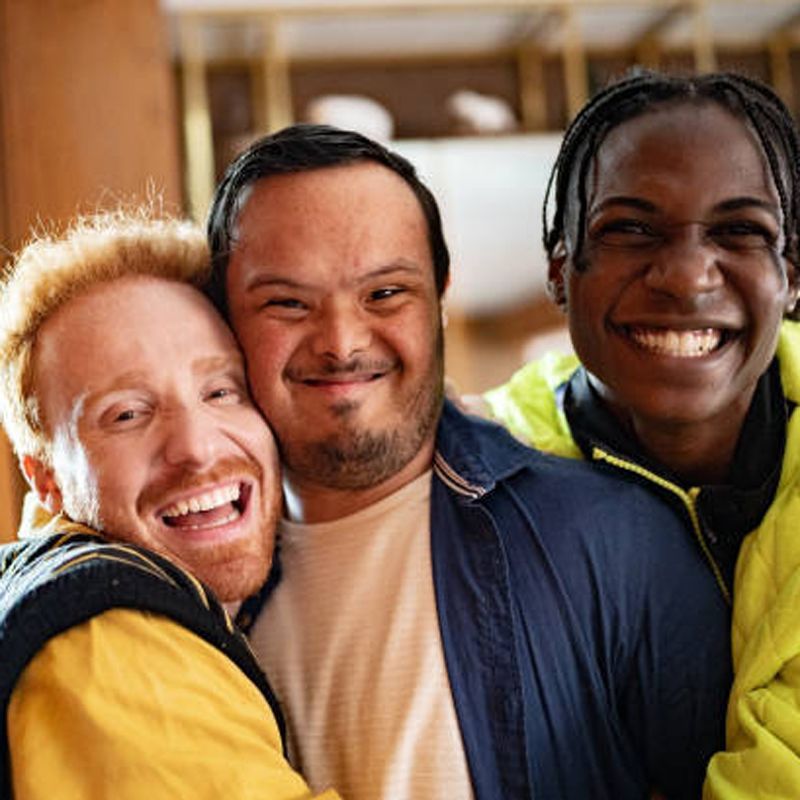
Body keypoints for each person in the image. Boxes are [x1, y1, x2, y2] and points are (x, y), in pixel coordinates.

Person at [205, 123, 732, 800]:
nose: (340, 342)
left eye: (385, 294)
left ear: (440, 299)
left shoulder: (618, 541)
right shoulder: (191, 595)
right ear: (223, 315)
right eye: (286, 302)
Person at [481, 71, 800, 798]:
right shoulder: (478, 480)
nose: (687, 277)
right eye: (630, 228)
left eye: (738, 231)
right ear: (562, 271)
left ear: (792, 274)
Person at [0, 210, 339, 799]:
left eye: (221, 391)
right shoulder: (113, 642)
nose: (197, 447)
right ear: (46, 479)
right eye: (127, 415)